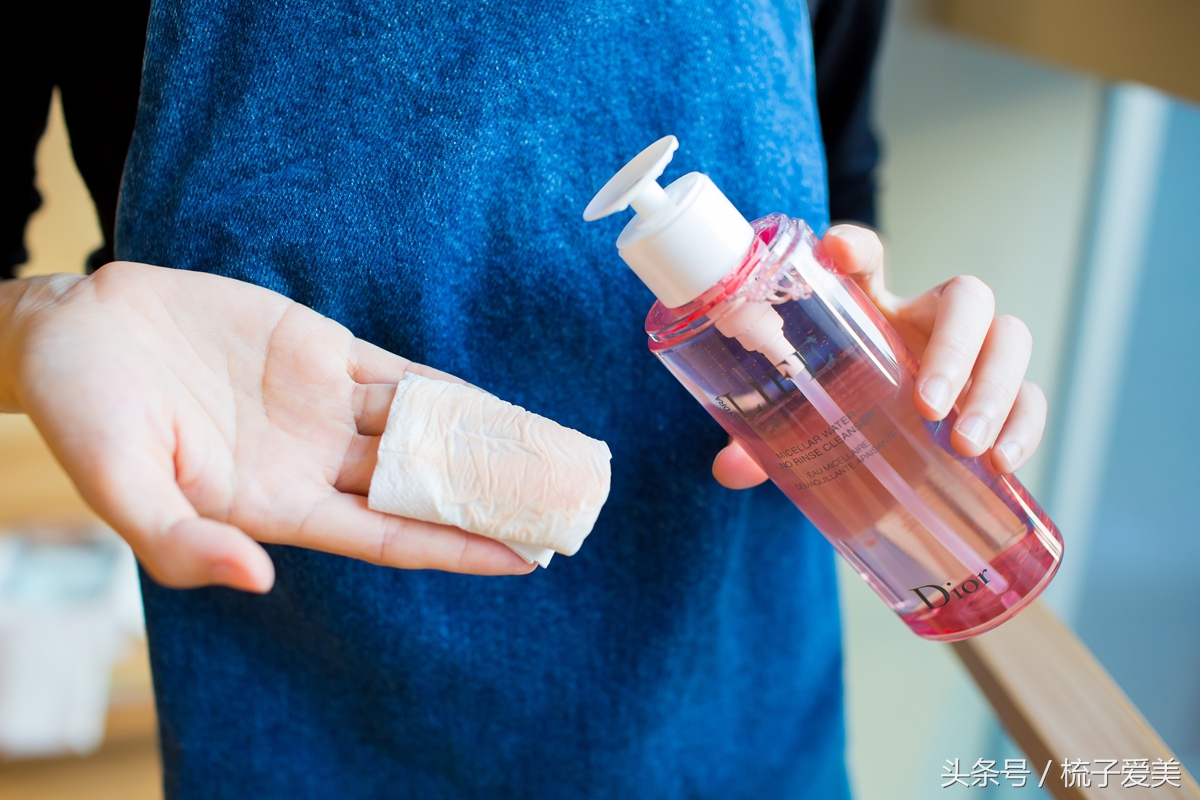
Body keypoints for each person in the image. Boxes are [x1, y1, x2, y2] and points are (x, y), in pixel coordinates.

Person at [1, 1, 1045, 796]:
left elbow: (842, 184)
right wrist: (37, 324)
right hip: (315, 728)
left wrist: (864, 330)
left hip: (748, 720)